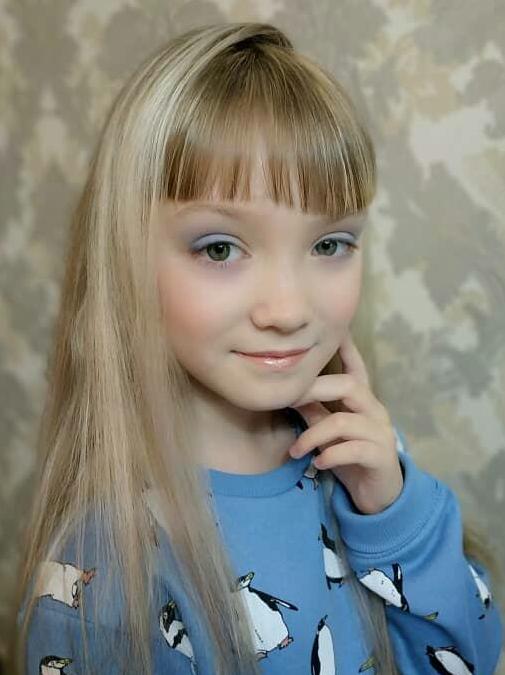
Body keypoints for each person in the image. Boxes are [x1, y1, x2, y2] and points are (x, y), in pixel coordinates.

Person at [7, 21, 503, 675]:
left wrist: (395, 515)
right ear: (123, 260)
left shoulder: (367, 464)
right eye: (220, 248)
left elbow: (468, 659)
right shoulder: (101, 576)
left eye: (328, 244)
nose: (289, 310)